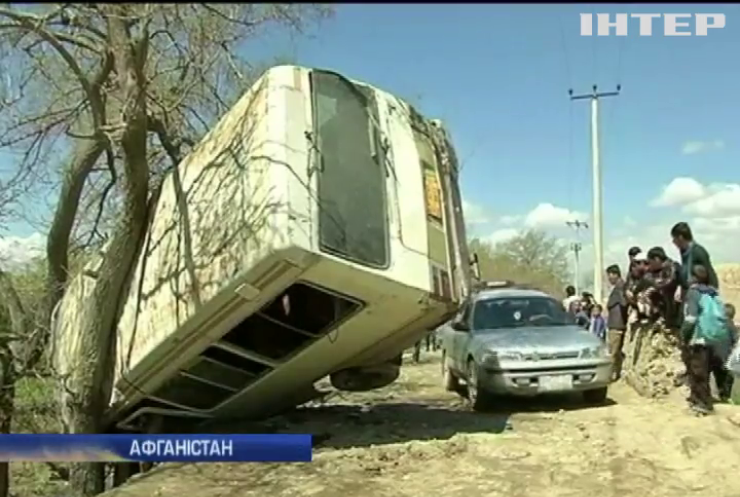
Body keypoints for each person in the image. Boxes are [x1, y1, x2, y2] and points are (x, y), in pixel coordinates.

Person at [680, 264, 732, 415]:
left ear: (693, 278)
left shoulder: (693, 293)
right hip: (715, 338)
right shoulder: (713, 292)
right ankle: (707, 399)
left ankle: (702, 404)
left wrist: (684, 335)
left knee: (698, 372)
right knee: (707, 371)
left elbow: (691, 318)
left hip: (700, 338)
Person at [671, 222, 719, 292]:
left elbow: (708, 275)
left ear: (680, 237)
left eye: (674, 238)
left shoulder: (698, 251)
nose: (673, 242)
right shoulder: (685, 252)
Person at [644, 246, 681, 328]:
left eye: (651, 262)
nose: (650, 265)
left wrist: (656, 287)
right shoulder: (655, 271)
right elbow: (646, 280)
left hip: (676, 306)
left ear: (656, 259)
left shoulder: (673, 266)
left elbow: (671, 281)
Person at [605, 264, 628, 381]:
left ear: (615, 274)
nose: (608, 278)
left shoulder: (620, 288)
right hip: (615, 324)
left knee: (612, 353)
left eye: (609, 275)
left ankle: (611, 375)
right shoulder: (618, 288)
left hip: (617, 325)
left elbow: (624, 304)